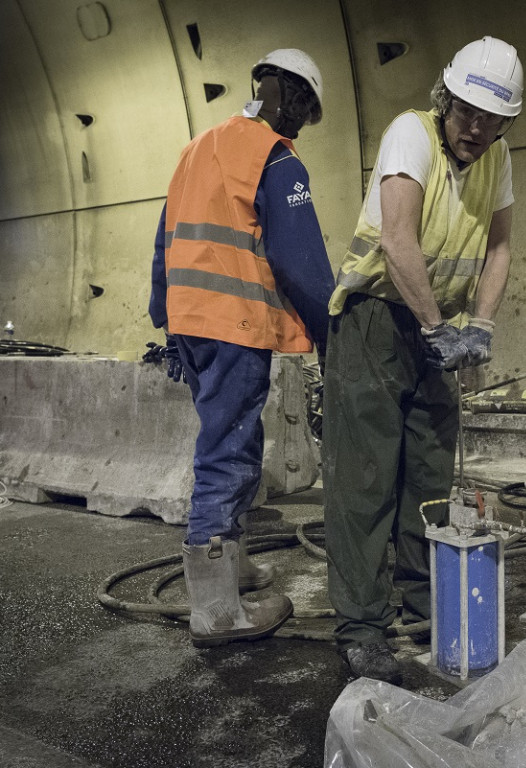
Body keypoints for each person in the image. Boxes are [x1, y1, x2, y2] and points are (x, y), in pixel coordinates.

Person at [321, 36, 524, 682]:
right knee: (366, 476)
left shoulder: (498, 159)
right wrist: (437, 327)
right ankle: (361, 624)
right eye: (468, 112)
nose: (477, 128)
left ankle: (422, 598)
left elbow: (499, 250)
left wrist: (482, 326)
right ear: (447, 99)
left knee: (431, 471)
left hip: (440, 325)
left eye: (493, 120)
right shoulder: (410, 136)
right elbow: (398, 237)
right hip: (377, 320)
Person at [148, 48, 335, 648]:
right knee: (227, 452)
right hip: (232, 323)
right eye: (304, 109)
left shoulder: (197, 149)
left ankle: (232, 563)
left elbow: (165, 240)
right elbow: (300, 262)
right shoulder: (275, 159)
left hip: (191, 320)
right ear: (290, 93)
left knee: (234, 438)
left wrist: (166, 315)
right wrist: (332, 331)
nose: (302, 124)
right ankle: (216, 611)